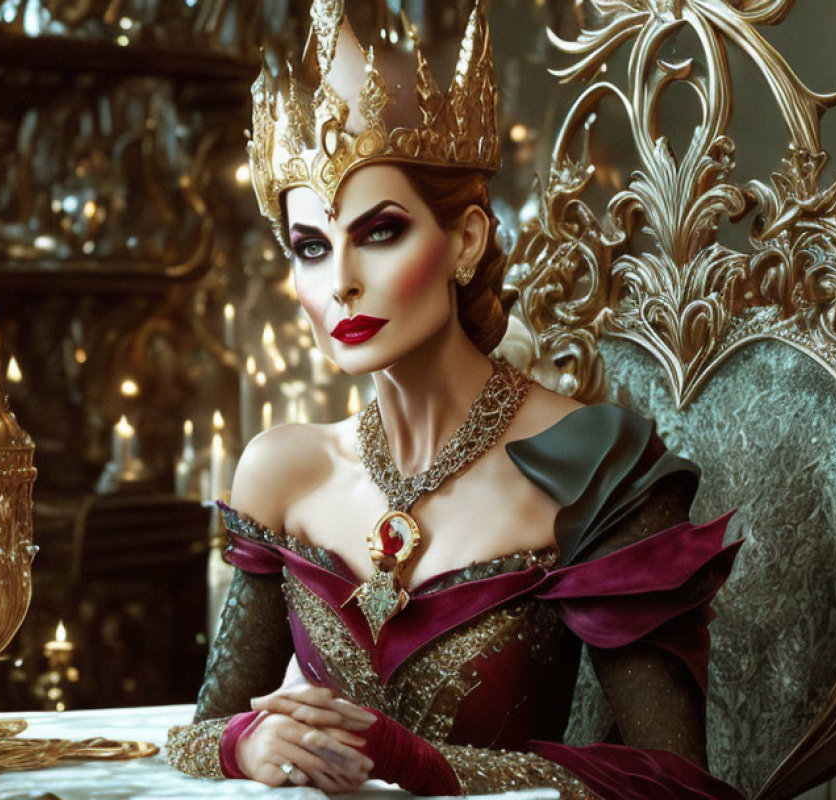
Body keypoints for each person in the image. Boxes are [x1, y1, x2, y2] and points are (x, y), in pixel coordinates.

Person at [166, 2, 743, 797]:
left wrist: (416, 766)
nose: (340, 283)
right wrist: (248, 743)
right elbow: (202, 730)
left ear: (464, 241)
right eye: (310, 247)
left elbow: (671, 781)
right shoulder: (282, 470)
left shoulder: (592, 466)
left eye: (380, 232)